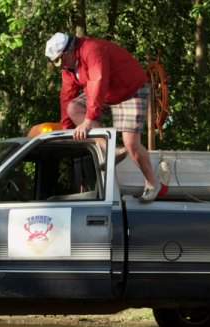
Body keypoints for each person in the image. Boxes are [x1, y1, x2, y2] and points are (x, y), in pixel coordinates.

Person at [45, 32, 160, 202]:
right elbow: (66, 96)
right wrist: (66, 131)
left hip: (130, 89)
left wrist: (89, 120)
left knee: (131, 144)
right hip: (107, 93)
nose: (60, 66)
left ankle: (152, 184)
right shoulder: (68, 69)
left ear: (69, 51)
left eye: (60, 60)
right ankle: (109, 149)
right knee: (74, 107)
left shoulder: (92, 50)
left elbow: (98, 82)